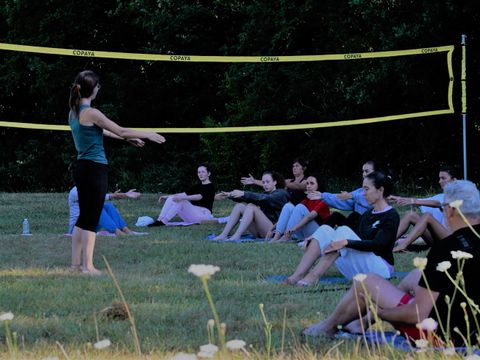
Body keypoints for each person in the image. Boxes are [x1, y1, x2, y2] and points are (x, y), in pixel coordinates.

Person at [303, 180, 480, 347]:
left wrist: (380, 313)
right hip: (475, 328)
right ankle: (360, 323)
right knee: (416, 275)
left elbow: (417, 314)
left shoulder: (445, 248)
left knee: (366, 282)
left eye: (442, 210)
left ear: (450, 210)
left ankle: (327, 327)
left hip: (445, 336)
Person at [69, 70, 165, 275]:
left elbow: (101, 130)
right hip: (95, 169)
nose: (99, 88)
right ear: (91, 89)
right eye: (97, 86)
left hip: (81, 168)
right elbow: (120, 129)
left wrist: (127, 140)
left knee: (83, 217)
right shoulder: (92, 112)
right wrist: (147, 134)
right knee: (91, 218)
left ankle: (76, 265)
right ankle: (89, 266)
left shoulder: (74, 111)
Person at [285, 171, 399, 286]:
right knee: (326, 230)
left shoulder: (391, 215)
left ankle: (312, 277)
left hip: (381, 271)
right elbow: (355, 237)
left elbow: (378, 245)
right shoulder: (368, 214)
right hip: (360, 270)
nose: (363, 193)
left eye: (366, 189)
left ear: (380, 190)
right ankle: (297, 276)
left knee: (343, 231)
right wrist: (316, 238)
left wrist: (345, 242)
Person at [389, 166, 457, 252]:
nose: (440, 181)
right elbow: (422, 201)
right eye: (439, 178)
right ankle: (387, 242)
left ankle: (402, 246)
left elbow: (437, 203)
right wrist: (396, 198)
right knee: (410, 215)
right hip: (437, 238)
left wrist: (414, 201)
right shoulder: (441, 196)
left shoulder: (460, 195)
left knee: (427, 216)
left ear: (454, 180)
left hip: (450, 240)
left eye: (443, 178)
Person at [213, 171, 290, 241]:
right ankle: (223, 235)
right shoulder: (266, 193)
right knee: (240, 206)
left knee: (251, 206)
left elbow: (265, 199)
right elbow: (251, 199)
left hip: (273, 232)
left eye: (267, 182)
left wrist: (244, 193)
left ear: (275, 182)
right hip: (261, 231)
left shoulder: (281, 193)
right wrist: (228, 195)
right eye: (263, 182)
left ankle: (237, 235)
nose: (265, 184)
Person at [267, 174, 330, 242]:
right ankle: (276, 237)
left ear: (318, 186)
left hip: (319, 234)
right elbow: (292, 215)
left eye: (312, 183)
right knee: (288, 207)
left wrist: (294, 228)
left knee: (299, 208)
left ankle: (286, 237)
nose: (308, 186)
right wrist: (272, 228)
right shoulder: (307, 198)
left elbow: (309, 217)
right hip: (305, 232)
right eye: (307, 183)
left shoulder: (323, 200)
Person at [312, 161, 375, 229]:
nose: (364, 174)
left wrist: (351, 196)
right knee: (336, 216)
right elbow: (343, 199)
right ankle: (317, 238)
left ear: (376, 172)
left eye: (367, 171)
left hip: (368, 228)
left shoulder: (380, 191)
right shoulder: (359, 191)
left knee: (355, 216)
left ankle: (337, 236)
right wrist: (323, 196)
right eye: (363, 171)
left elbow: (371, 201)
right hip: (357, 225)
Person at [148, 164, 216, 226]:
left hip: (203, 216)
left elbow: (199, 197)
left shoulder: (210, 186)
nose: (200, 174)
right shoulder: (197, 186)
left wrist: (182, 198)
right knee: (173, 198)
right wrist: (167, 197)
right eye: (199, 172)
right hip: (192, 215)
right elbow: (183, 194)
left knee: (181, 200)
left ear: (208, 173)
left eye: (203, 172)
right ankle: (159, 220)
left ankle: (163, 222)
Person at [68, 186, 140, 236]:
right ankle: (117, 232)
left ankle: (125, 229)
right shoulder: (75, 192)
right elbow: (99, 197)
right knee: (96, 208)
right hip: (77, 230)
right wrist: (124, 195)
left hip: (89, 227)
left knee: (108, 206)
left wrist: (123, 195)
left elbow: (105, 197)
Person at [241, 158, 308, 205]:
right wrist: (254, 181)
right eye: (293, 166)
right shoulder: (289, 181)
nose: (294, 168)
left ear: (304, 168)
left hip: (296, 211)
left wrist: (280, 182)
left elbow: (298, 186)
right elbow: (270, 184)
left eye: (297, 166)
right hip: (284, 208)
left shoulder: (306, 181)